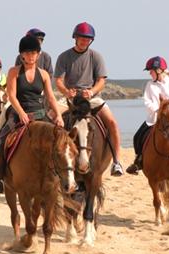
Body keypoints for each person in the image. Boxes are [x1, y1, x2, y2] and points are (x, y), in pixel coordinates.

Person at [0, 35, 64, 194]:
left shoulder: (43, 74)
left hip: (40, 113)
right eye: (27, 53)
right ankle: (0, 179)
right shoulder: (14, 72)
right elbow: (11, 95)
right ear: (22, 55)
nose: (30, 56)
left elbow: (50, 96)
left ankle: (65, 178)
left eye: (34, 53)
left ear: (38, 54)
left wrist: (58, 115)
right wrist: (21, 113)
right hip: (19, 113)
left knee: (63, 142)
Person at [54, 22, 124, 176]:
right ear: (75, 38)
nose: (84, 41)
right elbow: (58, 80)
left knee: (112, 123)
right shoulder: (64, 56)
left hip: (92, 98)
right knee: (51, 118)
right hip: (71, 98)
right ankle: (49, 162)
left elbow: (101, 81)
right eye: (81, 38)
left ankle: (117, 162)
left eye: (87, 39)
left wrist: (91, 92)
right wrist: (66, 91)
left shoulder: (96, 56)